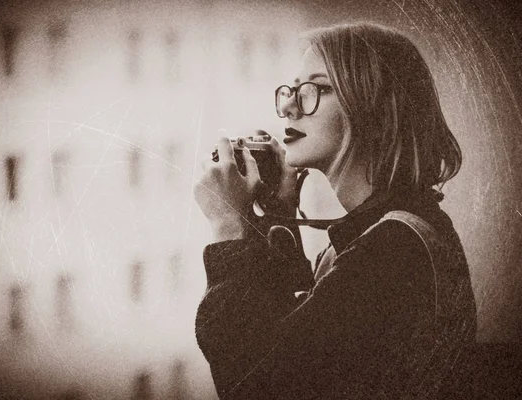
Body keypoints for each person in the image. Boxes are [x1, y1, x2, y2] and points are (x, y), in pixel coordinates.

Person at [193, 22, 477, 399]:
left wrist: (229, 227)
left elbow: (258, 385)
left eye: (319, 88)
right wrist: (278, 213)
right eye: (291, 91)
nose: (289, 106)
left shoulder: (393, 251)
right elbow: (292, 344)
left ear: (377, 110)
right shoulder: (390, 231)